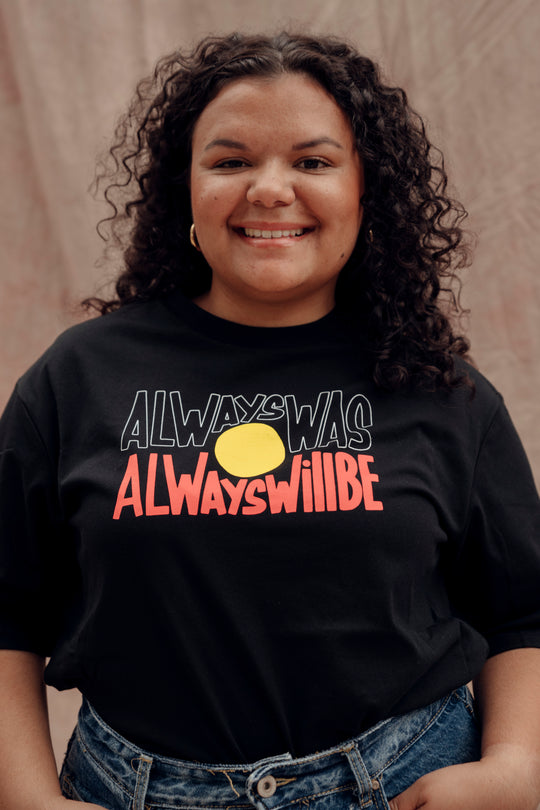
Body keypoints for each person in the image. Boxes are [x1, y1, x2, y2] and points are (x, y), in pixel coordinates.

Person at [0, 31, 539, 810]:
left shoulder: (442, 392)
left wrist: (515, 769)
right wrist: (25, 798)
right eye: (230, 161)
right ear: (185, 188)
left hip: (401, 784)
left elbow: (521, 612)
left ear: (366, 189)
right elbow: (10, 607)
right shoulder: (76, 378)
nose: (269, 190)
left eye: (313, 162)